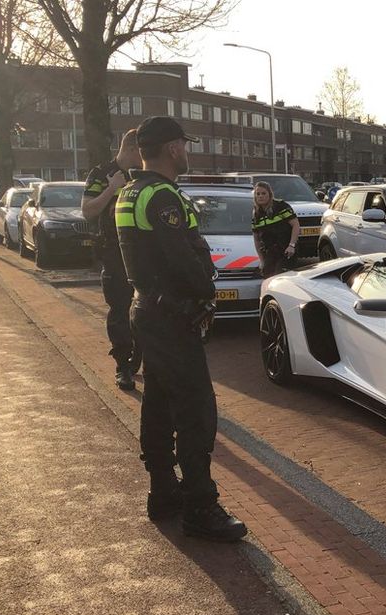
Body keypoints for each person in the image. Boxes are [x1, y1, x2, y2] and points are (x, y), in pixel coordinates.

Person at [115, 116, 247, 541]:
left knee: (157, 402)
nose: (186, 152)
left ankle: (163, 493)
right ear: (173, 148)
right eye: (184, 146)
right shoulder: (162, 196)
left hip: (147, 310)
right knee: (195, 411)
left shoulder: (130, 192)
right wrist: (204, 291)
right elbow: (183, 259)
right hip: (172, 315)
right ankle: (200, 507)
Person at [82, 129, 142, 390]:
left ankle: (138, 355)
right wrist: (111, 189)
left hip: (142, 254)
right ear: (131, 150)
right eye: (142, 152)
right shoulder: (101, 173)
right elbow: (87, 211)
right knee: (119, 309)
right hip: (114, 253)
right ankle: (123, 365)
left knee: (145, 310)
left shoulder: (143, 176)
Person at [251, 181, 300, 277]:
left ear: (270, 194)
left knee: (282, 279)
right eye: (258, 194)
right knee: (268, 279)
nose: (260, 196)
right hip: (269, 253)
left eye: (264, 193)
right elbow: (256, 239)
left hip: (285, 250)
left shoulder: (281, 206)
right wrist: (261, 260)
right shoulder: (256, 214)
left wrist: (292, 245)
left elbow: (296, 225)